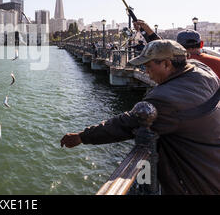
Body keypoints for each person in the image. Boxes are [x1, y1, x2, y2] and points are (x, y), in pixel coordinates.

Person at [61, 39, 220, 194]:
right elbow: (169, 50)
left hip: (196, 183)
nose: (146, 71)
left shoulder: (164, 99)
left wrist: (82, 137)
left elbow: (125, 124)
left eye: (148, 66)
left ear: (166, 64)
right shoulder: (202, 71)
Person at [133, 20, 220, 78]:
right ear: (201, 44)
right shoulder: (217, 61)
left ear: (177, 45)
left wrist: (146, 29)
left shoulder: (175, 64)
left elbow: (161, 47)